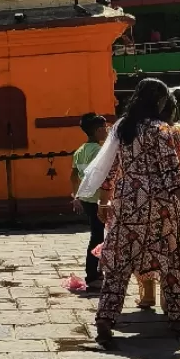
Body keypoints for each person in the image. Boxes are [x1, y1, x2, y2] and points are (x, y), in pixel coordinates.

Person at [95, 77, 180, 344]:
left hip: (127, 202)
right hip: (160, 205)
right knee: (171, 261)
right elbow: (171, 171)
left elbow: (111, 169)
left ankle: (105, 317)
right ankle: (178, 317)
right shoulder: (160, 130)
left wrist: (104, 201)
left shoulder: (123, 129)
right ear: (158, 101)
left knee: (118, 264)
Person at [134, 97, 180, 313]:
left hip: (145, 196)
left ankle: (147, 294)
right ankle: (172, 297)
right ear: (173, 111)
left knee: (147, 243)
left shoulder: (138, 133)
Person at [71, 112, 109, 288]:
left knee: (98, 234)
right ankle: (92, 274)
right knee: (97, 236)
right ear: (97, 130)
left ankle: (97, 271)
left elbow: (73, 176)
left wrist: (75, 195)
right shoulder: (100, 152)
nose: (107, 130)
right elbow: (103, 177)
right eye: (104, 128)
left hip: (85, 198)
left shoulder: (79, 151)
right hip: (97, 199)